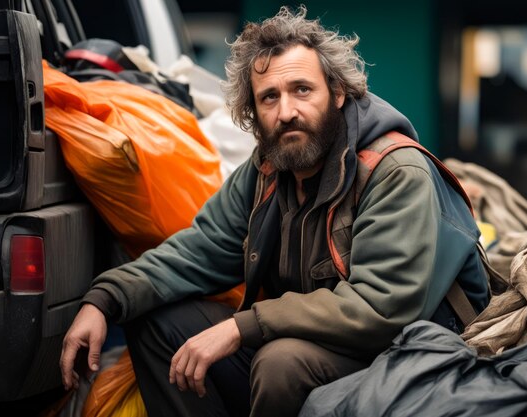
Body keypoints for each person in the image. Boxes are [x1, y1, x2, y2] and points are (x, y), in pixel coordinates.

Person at [59, 6, 490, 417]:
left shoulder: (394, 170)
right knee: (158, 320)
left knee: (281, 362)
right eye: (269, 98)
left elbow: (381, 307)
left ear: (338, 93)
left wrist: (242, 326)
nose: (286, 112)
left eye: (302, 90)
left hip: (415, 353)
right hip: (328, 341)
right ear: (253, 112)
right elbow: (200, 250)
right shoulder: (270, 168)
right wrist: (106, 298)